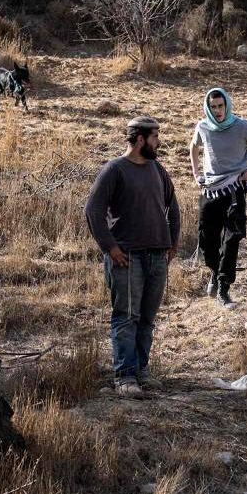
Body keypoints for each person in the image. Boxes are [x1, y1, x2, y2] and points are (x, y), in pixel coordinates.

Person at [83, 118, 180, 396]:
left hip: (157, 257)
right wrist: (110, 247)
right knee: (126, 317)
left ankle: (141, 373)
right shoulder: (115, 170)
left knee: (147, 319)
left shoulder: (157, 170)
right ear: (140, 139)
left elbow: (173, 207)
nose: (158, 142)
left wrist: (172, 244)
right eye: (155, 137)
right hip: (126, 258)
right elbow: (93, 211)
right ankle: (125, 377)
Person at [187, 87, 247, 307]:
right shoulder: (203, 126)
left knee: (232, 239)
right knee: (207, 241)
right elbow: (193, 148)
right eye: (213, 107)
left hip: (234, 190)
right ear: (208, 107)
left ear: (227, 105)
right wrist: (196, 174)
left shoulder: (241, 127)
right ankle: (215, 271)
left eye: (221, 106)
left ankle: (224, 289)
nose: (217, 111)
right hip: (210, 190)